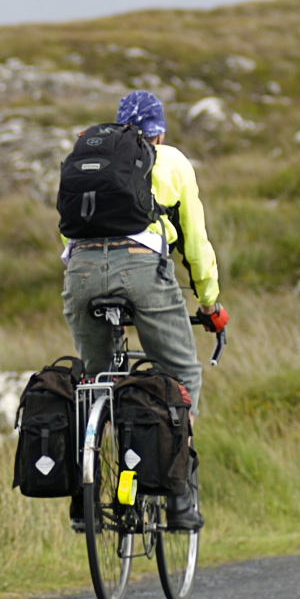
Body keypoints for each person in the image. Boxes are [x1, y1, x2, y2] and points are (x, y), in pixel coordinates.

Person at [61, 90, 223, 531]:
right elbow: (195, 243)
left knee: (94, 383)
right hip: (143, 271)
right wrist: (209, 303)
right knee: (182, 376)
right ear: (160, 131)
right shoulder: (171, 161)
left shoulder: (88, 159)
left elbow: (69, 234)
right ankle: (179, 497)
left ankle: (84, 496)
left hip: (82, 273)